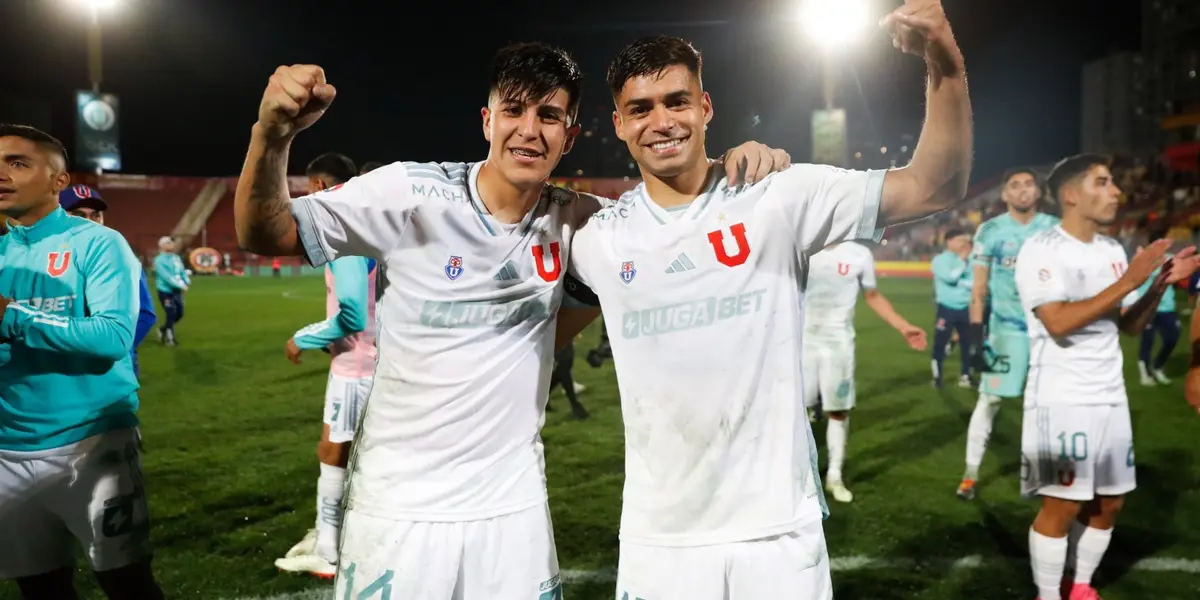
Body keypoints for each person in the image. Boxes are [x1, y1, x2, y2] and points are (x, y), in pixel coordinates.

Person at [232, 42, 786, 598]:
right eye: (514, 111)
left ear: (568, 136)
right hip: (398, 510)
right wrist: (272, 134)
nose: (529, 130)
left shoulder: (582, 223)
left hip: (514, 512)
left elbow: (668, 228)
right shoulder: (408, 194)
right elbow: (266, 232)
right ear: (487, 120)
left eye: (549, 116)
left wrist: (733, 166)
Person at [558, 5, 973, 595]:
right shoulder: (598, 237)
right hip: (660, 539)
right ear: (620, 124)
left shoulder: (778, 195)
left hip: (778, 533)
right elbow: (539, 334)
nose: (662, 121)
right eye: (640, 109)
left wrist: (945, 62)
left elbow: (935, 185)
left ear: (705, 108)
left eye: (677, 101)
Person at [1014, 154, 1199, 600]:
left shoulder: (1112, 251)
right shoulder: (1043, 248)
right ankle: (1047, 594)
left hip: (1109, 395)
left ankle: (1079, 586)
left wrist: (1155, 285)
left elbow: (1128, 324)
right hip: (1061, 398)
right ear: (1072, 195)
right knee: (1062, 503)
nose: (1116, 191)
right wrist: (1130, 279)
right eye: (1104, 182)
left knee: (1110, 502)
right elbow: (1056, 321)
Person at [0, 124, 164, 599]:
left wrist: (12, 317)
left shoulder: (97, 243)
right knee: (41, 589)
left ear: (58, 179)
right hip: (9, 446)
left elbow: (114, 337)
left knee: (127, 583)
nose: (2, 174)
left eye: (17, 162)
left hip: (91, 443)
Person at [275, 153, 377, 578]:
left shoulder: (343, 228)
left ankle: (329, 551)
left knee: (332, 451)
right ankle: (329, 533)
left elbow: (353, 313)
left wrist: (305, 336)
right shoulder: (368, 222)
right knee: (357, 455)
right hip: (374, 359)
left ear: (317, 185)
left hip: (356, 366)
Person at [957, 167, 1060, 500]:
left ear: (1038, 191)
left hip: (1049, 331)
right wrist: (975, 336)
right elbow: (979, 288)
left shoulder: (1055, 229)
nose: (1023, 190)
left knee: (1044, 404)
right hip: (1007, 330)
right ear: (1005, 194)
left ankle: (1038, 476)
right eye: (1015, 186)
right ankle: (971, 474)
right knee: (990, 400)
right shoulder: (991, 231)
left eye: (1029, 184)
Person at [803, 241, 927, 503]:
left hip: (839, 346)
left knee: (838, 411)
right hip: (800, 343)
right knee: (794, 412)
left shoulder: (859, 254)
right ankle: (797, 476)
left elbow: (872, 295)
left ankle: (834, 476)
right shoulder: (802, 244)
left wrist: (904, 327)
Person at [58, 184, 158, 376]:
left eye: (96, 215)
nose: (90, 221)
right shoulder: (39, 257)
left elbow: (144, 315)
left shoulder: (121, 256)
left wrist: (111, 348)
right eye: (79, 214)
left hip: (109, 368)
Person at [1135, 230, 1181, 386]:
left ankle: (1158, 366)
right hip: (1147, 306)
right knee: (1147, 340)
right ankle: (1144, 374)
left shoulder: (1170, 259)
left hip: (1167, 308)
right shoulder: (1143, 259)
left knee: (1172, 338)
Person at [931, 228, 974, 388]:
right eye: (960, 240)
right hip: (946, 308)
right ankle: (937, 377)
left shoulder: (970, 259)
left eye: (966, 240)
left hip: (966, 307)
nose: (965, 244)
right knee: (940, 343)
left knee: (967, 344)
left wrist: (962, 280)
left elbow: (974, 282)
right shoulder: (940, 260)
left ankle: (965, 375)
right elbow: (950, 277)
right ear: (949, 242)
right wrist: (962, 261)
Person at [153, 236, 190, 345]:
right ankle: (171, 339)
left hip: (177, 291)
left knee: (179, 313)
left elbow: (182, 271)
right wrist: (181, 286)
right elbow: (166, 277)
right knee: (171, 312)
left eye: (171, 243)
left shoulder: (176, 258)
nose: (171, 245)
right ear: (162, 246)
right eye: (168, 243)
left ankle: (163, 329)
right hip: (165, 291)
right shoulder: (159, 260)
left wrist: (186, 281)